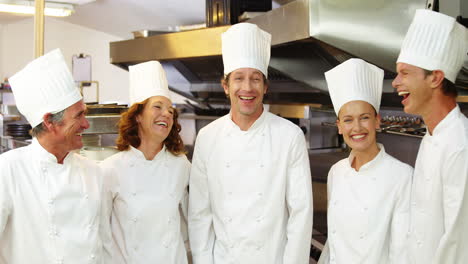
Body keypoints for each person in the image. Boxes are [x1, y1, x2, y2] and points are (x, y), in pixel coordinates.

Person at [188, 23, 313, 264]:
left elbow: (301, 213)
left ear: (265, 87)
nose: (247, 88)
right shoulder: (207, 137)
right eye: (239, 78)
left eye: (255, 79)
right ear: (226, 86)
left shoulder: (290, 136)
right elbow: (199, 214)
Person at [0, 49, 103, 263]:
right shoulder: (9, 170)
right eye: (79, 115)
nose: (86, 124)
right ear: (49, 122)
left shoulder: (93, 171)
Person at [318, 58, 413, 264]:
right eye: (348, 120)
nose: (357, 128)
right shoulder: (336, 172)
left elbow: (402, 252)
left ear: (377, 121)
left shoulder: (402, 176)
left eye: (364, 117)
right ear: (339, 126)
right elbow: (333, 243)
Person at [392, 9, 468, 264]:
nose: (395, 82)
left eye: (404, 73)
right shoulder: (433, 135)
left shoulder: (460, 145)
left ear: (435, 78)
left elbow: (458, 243)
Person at [100, 61, 190, 264]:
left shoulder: (181, 165)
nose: (166, 114)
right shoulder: (110, 169)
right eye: (158, 106)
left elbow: (192, 221)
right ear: (138, 116)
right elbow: (101, 233)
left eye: (170, 110)